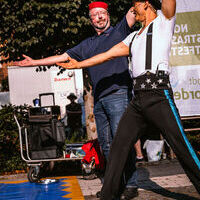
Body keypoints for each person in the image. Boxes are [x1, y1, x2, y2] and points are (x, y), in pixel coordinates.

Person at [56, 0, 200, 199]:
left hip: (159, 94)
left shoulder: (164, 21)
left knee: (181, 146)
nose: (133, 10)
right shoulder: (133, 37)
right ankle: (109, 195)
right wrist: (78, 64)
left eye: (136, 6)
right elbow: (106, 55)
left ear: (147, 4)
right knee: (118, 147)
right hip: (137, 100)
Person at [13, 2, 140, 199]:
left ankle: (131, 185)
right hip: (99, 100)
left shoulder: (120, 30)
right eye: (95, 15)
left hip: (119, 94)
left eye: (102, 13)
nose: (99, 17)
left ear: (108, 15)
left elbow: (136, 8)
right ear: (90, 20)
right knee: (106, 145)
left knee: (122, 142)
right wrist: (34, 62)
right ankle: (113, 186)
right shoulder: (86, 45)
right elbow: (61, 56)